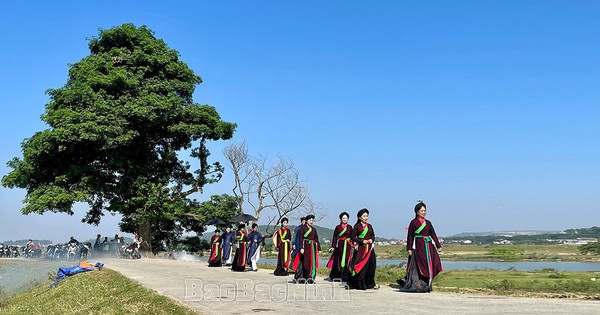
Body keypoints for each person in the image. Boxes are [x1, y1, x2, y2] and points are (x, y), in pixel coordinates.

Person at [398, 201, 443, 292]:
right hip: (418, 246)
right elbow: (410, 236)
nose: (423, 212)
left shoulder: (428, 223)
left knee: (431, 264)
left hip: (428, 246)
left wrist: (438, 246)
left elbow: (433, 234)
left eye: (424, 210)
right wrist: (409, 248)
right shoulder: (413, 222)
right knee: (420, 264)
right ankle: (418, 284)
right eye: (421, 211)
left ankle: (428, 284)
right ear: (417, 212)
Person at [347, 208, 379, 290]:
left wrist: (372, 239)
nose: (366, 218)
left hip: (369, 249)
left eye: (367, 216)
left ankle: (370, 283)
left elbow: (373, 235)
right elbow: (352, 237)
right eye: (364, 216)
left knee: (372, 266)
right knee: (361, 266)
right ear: (360, 217)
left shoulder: (370, 226)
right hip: (361, 249)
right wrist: (362, 241)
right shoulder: (357, 227)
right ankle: (360, 283)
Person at [292, 214, 321, 283]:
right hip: (305, 247)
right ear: (306, 221)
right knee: (305, 262)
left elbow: (316, 239)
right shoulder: (303, 229)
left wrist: (319, 248)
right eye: (310, 220)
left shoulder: (314, 229)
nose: (311, 221)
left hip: (312, 248)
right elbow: (301, 238)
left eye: (312, 220)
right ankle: (303, 276)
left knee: (312, 262)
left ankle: (310, 277)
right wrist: (301, 248)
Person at [326, 212, 354, 281]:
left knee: (347, 259)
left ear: (348, 219)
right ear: (341, 219)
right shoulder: (338, 227)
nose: (344, 219)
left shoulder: (350, 227)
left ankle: (346, 276)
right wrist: (333, 246)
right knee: (338, 259)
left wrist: (353, 244)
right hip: (340, 244)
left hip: (347, 245)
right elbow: (335, 237)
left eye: (346, 218)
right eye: (343, 218)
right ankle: (336, 275)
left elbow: (352, 236)